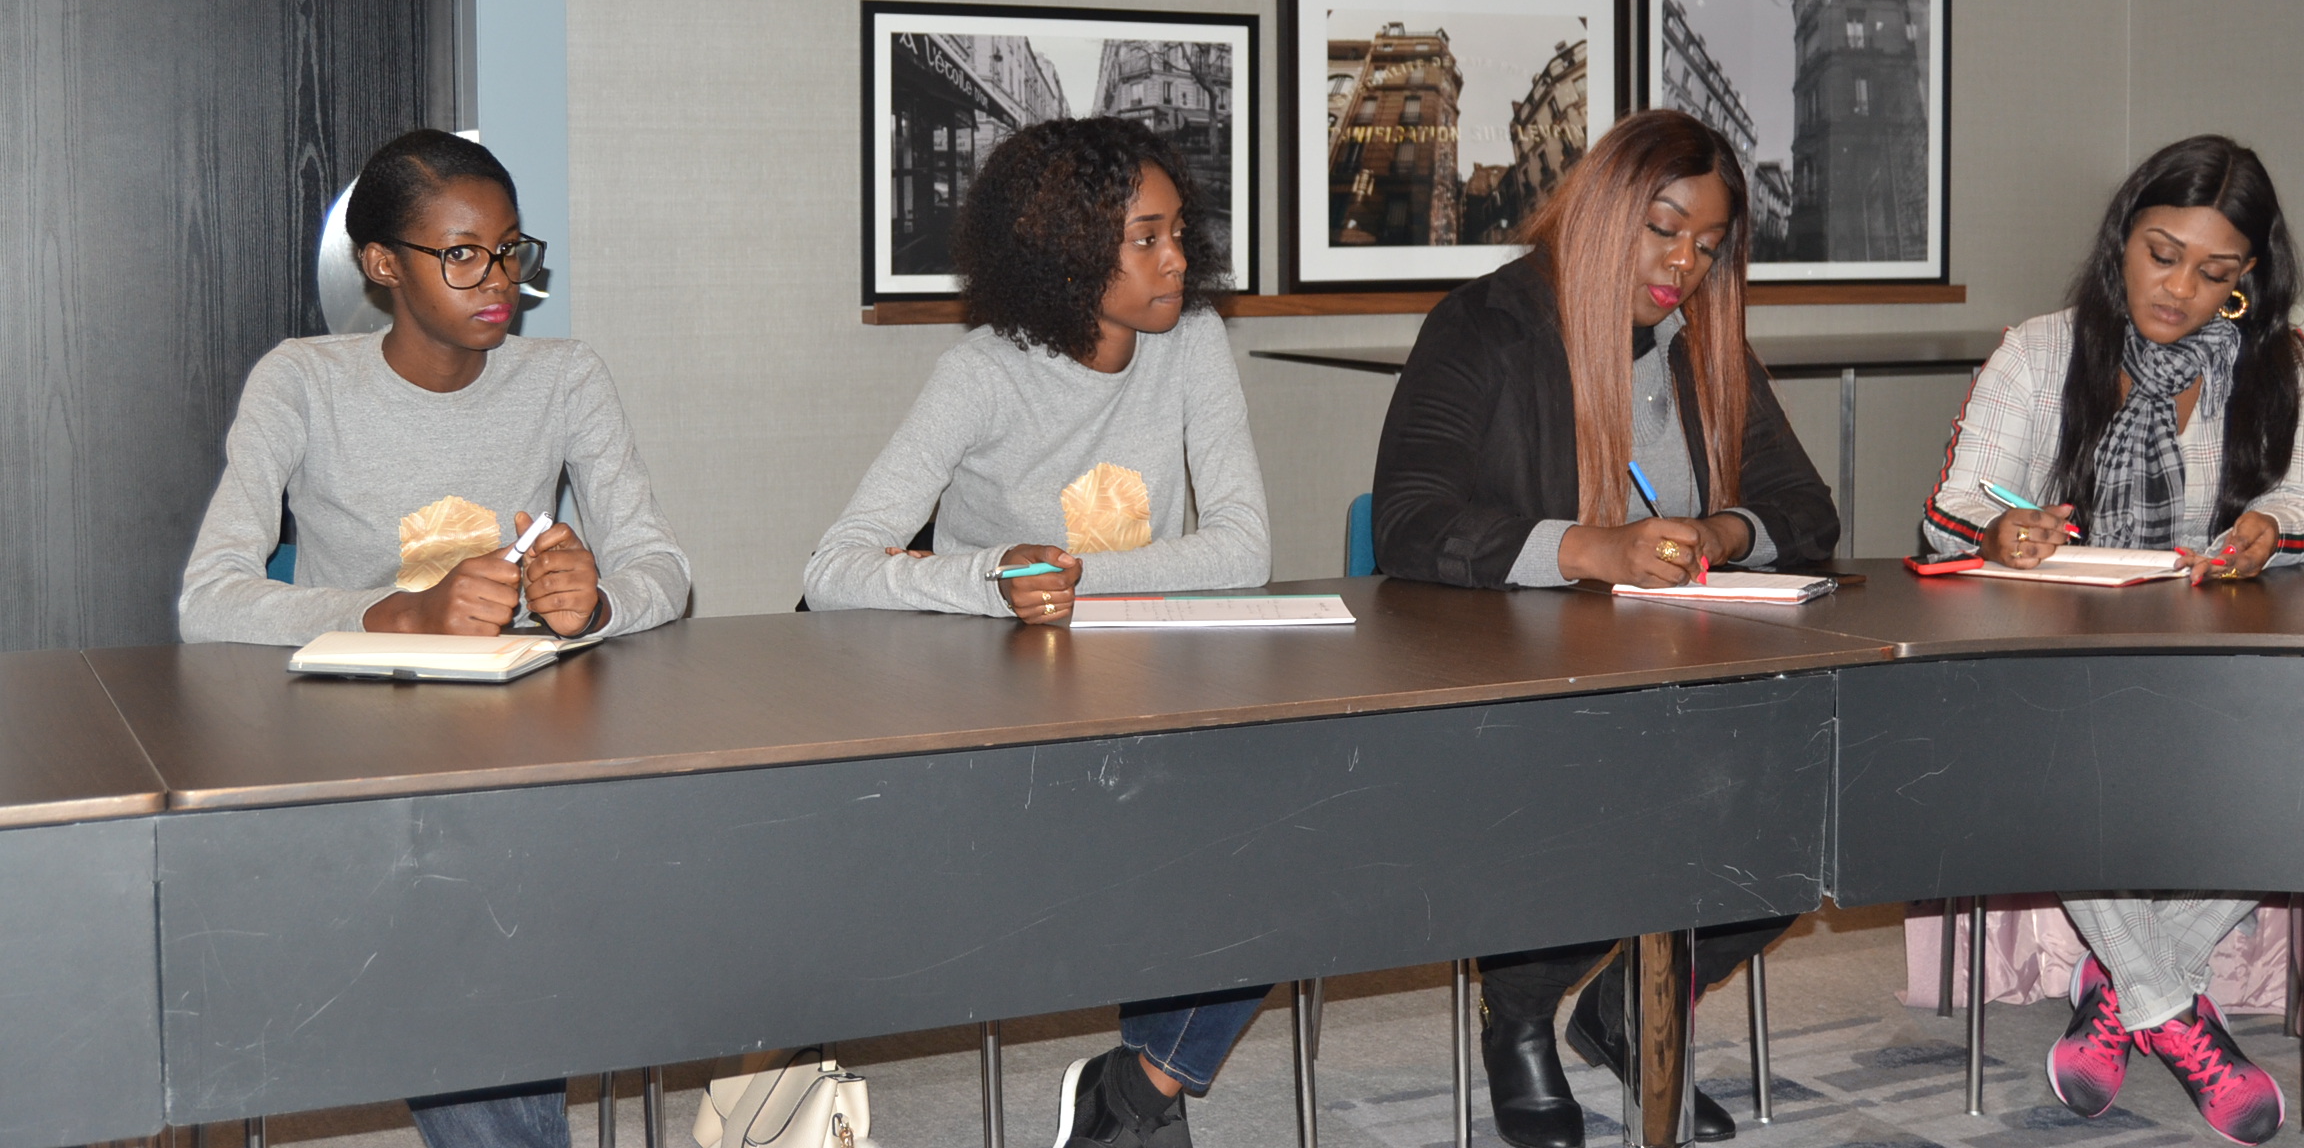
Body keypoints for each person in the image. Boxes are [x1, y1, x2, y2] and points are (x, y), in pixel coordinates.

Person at [179, 128, 691, 1148]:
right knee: (473, 924)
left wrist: (590, 604)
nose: (497, 280)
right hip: (355, 751)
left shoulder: (564, 379)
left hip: (524, 747)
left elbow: (663, 573)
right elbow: (211, 598)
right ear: (382, 266)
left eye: (510, 250)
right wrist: (394, 612)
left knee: (520, 910)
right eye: (461, 255)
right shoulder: (304, 382)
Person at [1372, 110, 1839, 1148]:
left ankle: (1631, 1002)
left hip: (1691, 679)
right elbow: (1409, 522)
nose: (1683, 264)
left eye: (1708, 246)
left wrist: (1724, 528)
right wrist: (1593, 549)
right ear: (1600, 210)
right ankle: (1522, 1013)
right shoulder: (1484, 326)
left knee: (1818, 800)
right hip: (1530, 687)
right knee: (1595, 795)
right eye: (1663, 229)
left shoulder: (1704, 344)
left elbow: (1807, 513)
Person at [804, 116, 1271, 1148]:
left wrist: (1076, 577)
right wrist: (994, 579)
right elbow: (834, 569)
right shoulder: (982, 373)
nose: (1178, 259)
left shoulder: (1189, 341)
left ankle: (1143, 1085)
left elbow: (1242, 548)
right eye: (1145, 238)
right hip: (999, 708)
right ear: (1065, 248)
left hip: (1146, 686)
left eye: (1179, 231)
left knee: (1287, 828)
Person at [1921, 134, 2303, 1146]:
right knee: (2061, 761)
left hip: (2213, 656)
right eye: (2162, 253)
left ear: (2247, 279)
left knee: (2286, 761)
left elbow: (2298, 497)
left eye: (2216, 271)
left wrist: (2271, 527)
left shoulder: (2279, 365)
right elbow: (1954, 508)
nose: (2179, 289)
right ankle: (2176, 1016)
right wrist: (2005, 529)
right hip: (2064, 657)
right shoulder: (2045, 350)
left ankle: (2129, 988)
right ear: (2120, 239)